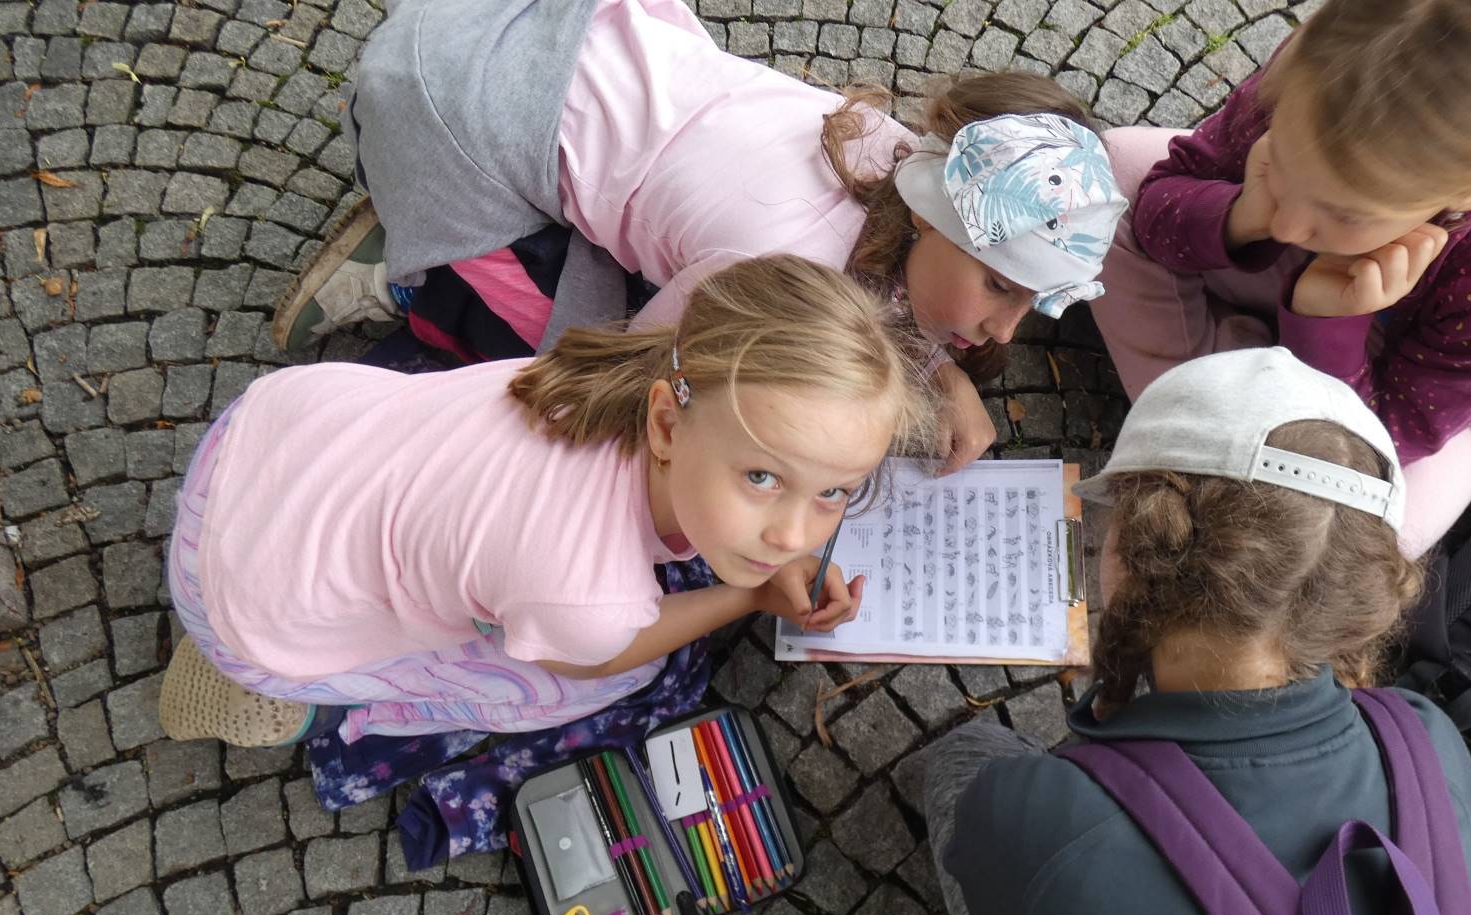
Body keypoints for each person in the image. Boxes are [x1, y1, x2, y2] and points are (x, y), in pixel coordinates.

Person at [923, 349, 1471, 915]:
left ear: (1132, 548)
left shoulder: (1046, 815)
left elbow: (993, 897)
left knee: (963, 759)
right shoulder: (1424, 738)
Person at [270, 0, 1125, 474]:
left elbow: (895, 285)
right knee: (550, 343)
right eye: (1000, 285)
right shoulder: (777, 266)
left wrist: (940, 375)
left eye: (1032, 302)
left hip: (552, 40)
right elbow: (628, 377)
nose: (1007, 328)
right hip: (450, 110)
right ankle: (408, 271)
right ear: (930, 216)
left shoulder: (913, 159)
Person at [160, 256, 936, 747]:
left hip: (264, 434)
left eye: (835, 490)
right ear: (666, 424)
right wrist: (751, 596)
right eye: (762, 478)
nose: (794, 535)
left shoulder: (643, 366)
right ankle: (290, 702)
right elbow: (601, 649)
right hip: (245, 607)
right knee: (601, 683)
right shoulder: (585, 598)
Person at [1091, 0, 1471, 555]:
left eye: (1345, 213)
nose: (1289, 225)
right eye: (1280, 156)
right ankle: (1204, 421)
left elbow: (1377, 442)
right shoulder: (1341, 62)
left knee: (1374, 542)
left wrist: (1327, 322)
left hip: (1450, 392)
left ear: (1470, 193)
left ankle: (1226, 388)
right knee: (1107, 175)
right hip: (1338, 280)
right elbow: (1168, 196)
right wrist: (1243, 217)